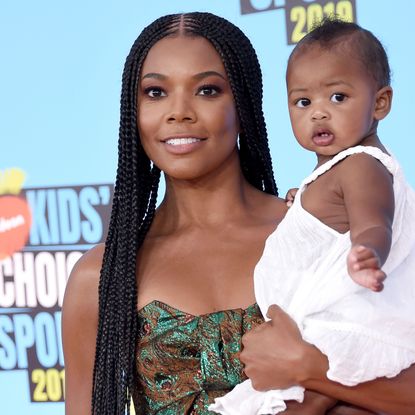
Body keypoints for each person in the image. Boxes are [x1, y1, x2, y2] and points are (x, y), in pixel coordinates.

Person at [62, 12, 415, 415]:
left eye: (208, 90)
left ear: (244, 105)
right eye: (156, 93)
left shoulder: (322, 238)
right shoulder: (103, 276)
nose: (179, 112)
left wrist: (312, 370)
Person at [210, 18, 415, 415]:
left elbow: (374, 218)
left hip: (345, 323)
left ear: (380, 103)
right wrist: (302, 201)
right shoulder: (333, 174)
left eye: (338, 98)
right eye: (303, 102)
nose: (319, 114)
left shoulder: (361, 165)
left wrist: (367, 250)